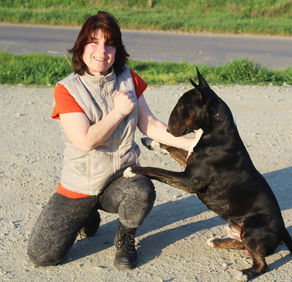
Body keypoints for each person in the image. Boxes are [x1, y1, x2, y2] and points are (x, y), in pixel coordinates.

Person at [27, 11, 193, 270]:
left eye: (110, 43)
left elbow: (149, 124)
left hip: (120, 178)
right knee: (42, 256)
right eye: (94, 41)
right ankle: (86, 216)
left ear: (117, 49)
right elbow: (84, 141)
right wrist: (118, 112)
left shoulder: (129, 79)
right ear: (82, 46)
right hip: (81, 185)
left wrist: (189, 144)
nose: (102, 50)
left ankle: (125, 238)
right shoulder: (67, 89)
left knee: (141, 190)